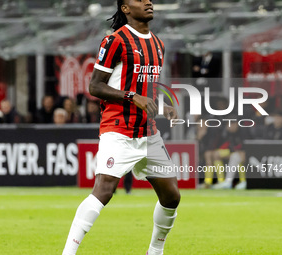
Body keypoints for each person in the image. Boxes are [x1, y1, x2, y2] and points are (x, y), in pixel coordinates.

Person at [62, 1, 181, 255]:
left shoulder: (157, 44)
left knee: (171, 196)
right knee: (104, 190)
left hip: (148, 133)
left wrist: (162, 106)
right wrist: (131, 97)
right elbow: (95, 86)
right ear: (125, 8)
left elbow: (146, 89)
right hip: (118, 130)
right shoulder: (114, 41)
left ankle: (155, 251)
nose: (148, 2)